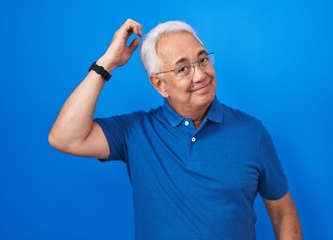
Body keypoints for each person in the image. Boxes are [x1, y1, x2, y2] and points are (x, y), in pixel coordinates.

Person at [48, 18, 302, 239]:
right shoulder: (135, 131)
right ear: (160, 85)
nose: (201, 75)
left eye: (203, 60)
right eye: (183, 69)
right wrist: (107, 64)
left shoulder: (252, 132)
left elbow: (282, 212)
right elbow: (64, 137)